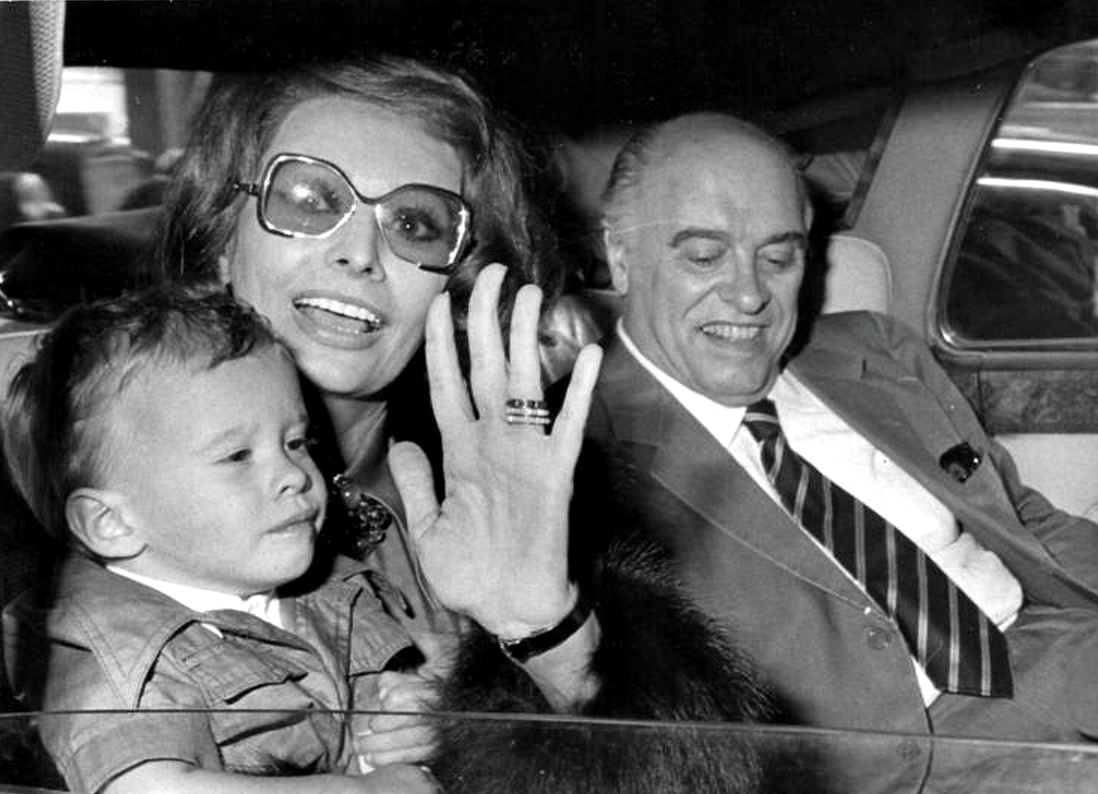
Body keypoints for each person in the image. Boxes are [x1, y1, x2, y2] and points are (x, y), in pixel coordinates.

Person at [149, 57, 772, 791]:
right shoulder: (102, 466)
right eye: (312, 200)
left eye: (415, 224)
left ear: (460, 281)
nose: (360, 253)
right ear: (222, 239)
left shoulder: (529, 484)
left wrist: (546, 633)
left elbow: (697, 779)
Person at [572, 111, 1098, 793]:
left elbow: (1021, 519)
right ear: (620, 257)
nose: (749, 294)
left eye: (778, 258)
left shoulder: (874, 350)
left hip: (1059, 649)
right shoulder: (575, 450)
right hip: (902, 761)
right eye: (703, 257)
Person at [1, 286, 438, 793]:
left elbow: (400, 723)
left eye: (296, 441)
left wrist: (417, 721)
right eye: (237, 456)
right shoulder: (103, 653)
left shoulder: (338, 592)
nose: (295, 475)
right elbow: (149, 789)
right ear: (112, 523)